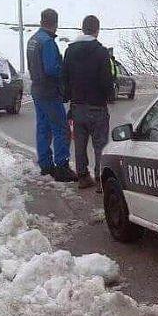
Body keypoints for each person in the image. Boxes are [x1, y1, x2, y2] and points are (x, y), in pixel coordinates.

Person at [61, 15, 114, 191]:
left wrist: (68, 96)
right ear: (97, 30)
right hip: (97, 106)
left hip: (77, 106)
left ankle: (83, 177)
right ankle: (100, 181)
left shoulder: (69, 51)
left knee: (80, 144)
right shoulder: (101, 52)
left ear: (82, 29)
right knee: (100, 145)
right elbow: (106, 79)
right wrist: (109, 96)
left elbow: (65, 78)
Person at [27, 8, 78, 182]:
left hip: (38, 90)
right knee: (61, 128)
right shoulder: (47, 42)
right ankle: (62, 166)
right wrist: (63, 68)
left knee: (43, 127)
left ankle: (45, 164)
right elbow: (51, 68)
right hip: (49, 91)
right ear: (55, 23)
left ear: (42, 21)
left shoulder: (33, 40)